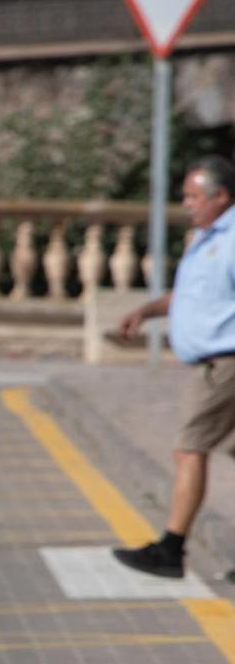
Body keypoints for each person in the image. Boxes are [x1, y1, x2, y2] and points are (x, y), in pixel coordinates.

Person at [112, 156, 235, 579]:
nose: (186, 204)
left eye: (193, 196)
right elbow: (188, 294)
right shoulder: (208, 237)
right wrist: (146, 311)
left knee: (188, 447)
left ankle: (171, 548)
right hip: (214, 362)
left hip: (225, 363)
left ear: (221, 196)